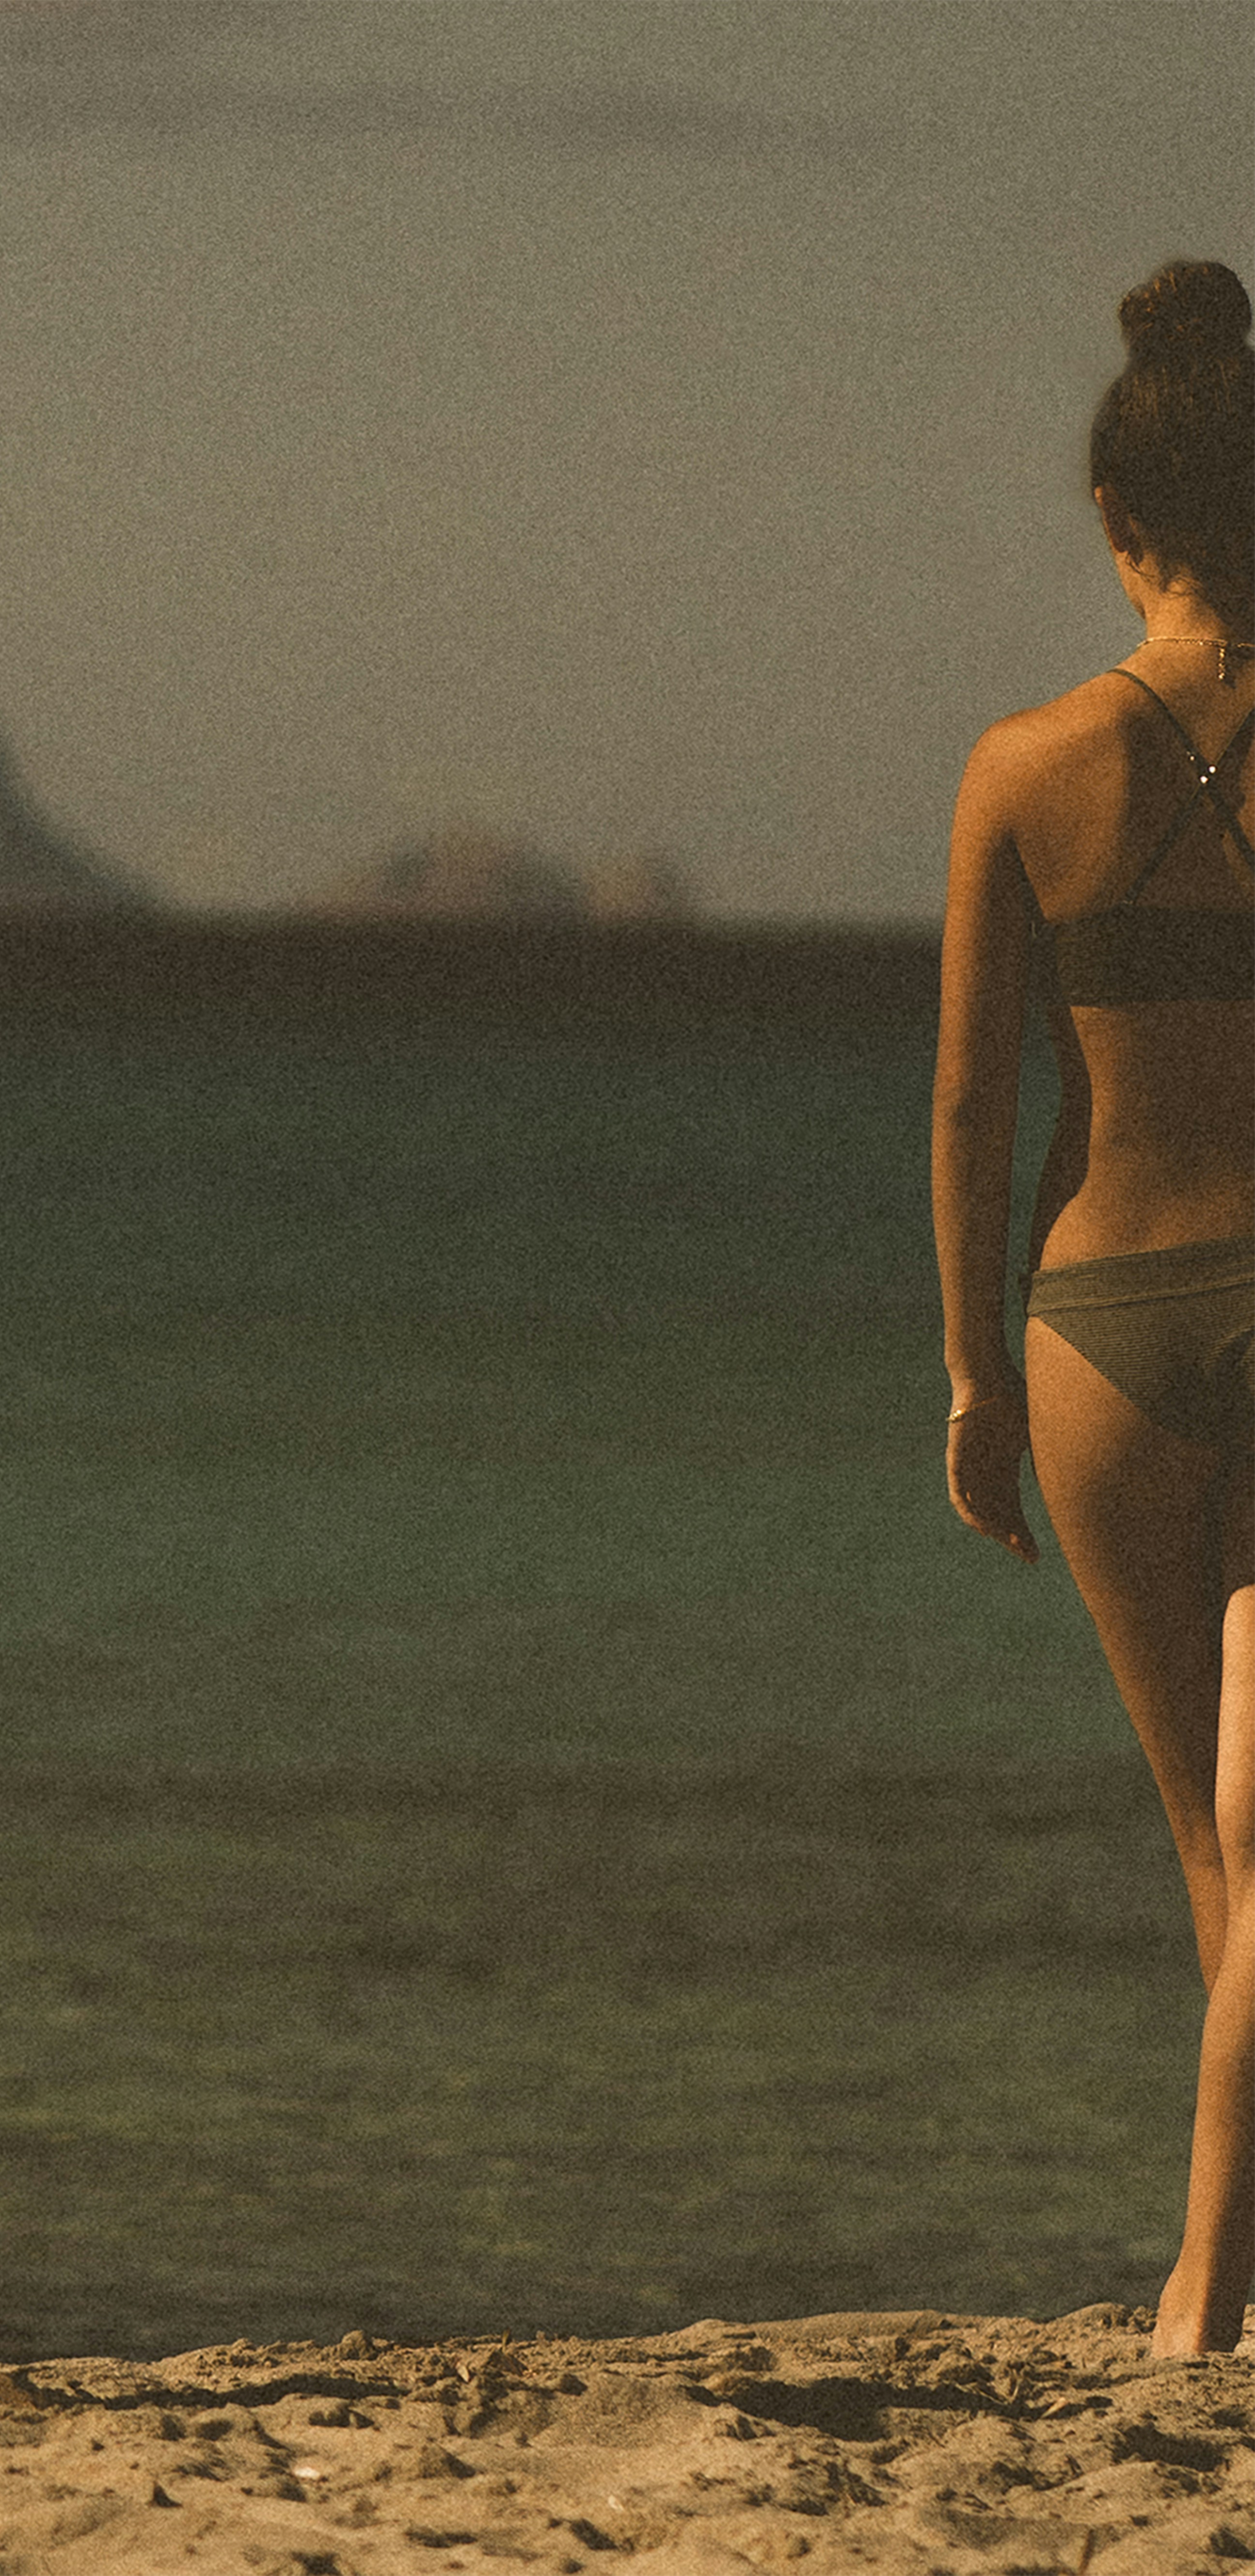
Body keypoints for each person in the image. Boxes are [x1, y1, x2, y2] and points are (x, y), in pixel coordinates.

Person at [932, 259, 1254, 2357]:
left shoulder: (1022, 770)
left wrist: (970, 1377)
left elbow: (973, 1105)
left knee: (1218, 1860)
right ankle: (1211, 2293)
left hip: (1102, 1325)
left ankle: (1204, 2295)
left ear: (1116, 528)